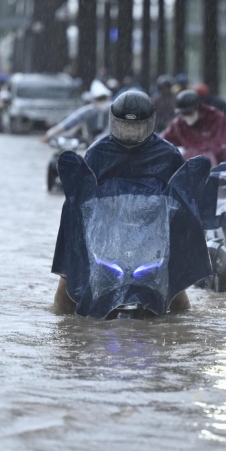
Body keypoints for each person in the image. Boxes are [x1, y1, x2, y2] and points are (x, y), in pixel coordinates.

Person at [51, 91, 203, 315]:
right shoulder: (97, 153)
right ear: (113, 123)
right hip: (106, 236)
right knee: (67, 291)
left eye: (136, 128)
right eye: (125, 127)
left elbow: (183, 201)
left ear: (150, 124)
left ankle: (183, 327)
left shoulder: (167, 155)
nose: (130, 133)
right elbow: (81, 200)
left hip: (153, 239)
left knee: (177, 296)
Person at [161, 90, 226, 167]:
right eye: (184, 113)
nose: (187, 116)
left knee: (207, 156)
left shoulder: (216, 117)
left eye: (189, 112)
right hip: (189, 162)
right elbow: (164, 140)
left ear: (198, 108)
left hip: (216, 163)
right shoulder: (179, 123)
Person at [40, 80, 112, 144]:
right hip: (91, 143)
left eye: (104, 99)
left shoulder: (113, 110)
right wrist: (49, 134)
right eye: (99, 99)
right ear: (93, 99)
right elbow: (69, 123)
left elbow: (109, 130)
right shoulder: (89, 111)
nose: (102, 102)